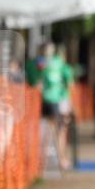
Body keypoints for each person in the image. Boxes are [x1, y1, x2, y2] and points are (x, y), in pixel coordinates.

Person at [37, 42, 73, 172]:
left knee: (50, 131)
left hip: (49, 100)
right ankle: (60, 159)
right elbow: (68, 82)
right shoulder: (54, 63)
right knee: (58, 131)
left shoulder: (42, 62)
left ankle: (47, 161)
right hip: (54, 101)